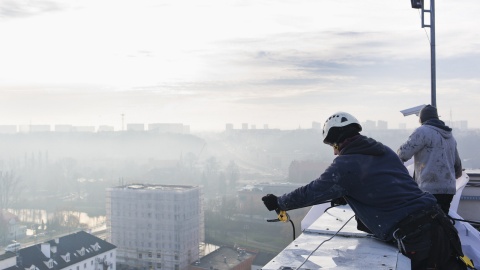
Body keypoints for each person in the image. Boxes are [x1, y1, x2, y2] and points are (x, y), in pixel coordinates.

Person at [261, 112, 466, 270]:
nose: (334, 151)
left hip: (417, 236)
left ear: (338, 139)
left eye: (333, 144)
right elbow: (386, 183)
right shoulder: (383, 150)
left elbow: (313, 191)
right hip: (438, 221)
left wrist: (279, 202)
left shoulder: (346, 164)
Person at [397, 105, 462, 214]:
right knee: (442, 222)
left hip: (428, 189)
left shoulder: (422, 131)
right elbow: (458, 169)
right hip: (448, 190)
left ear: (421, 119)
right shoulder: (450, 137)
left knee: (426, 223)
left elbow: (403, 154)